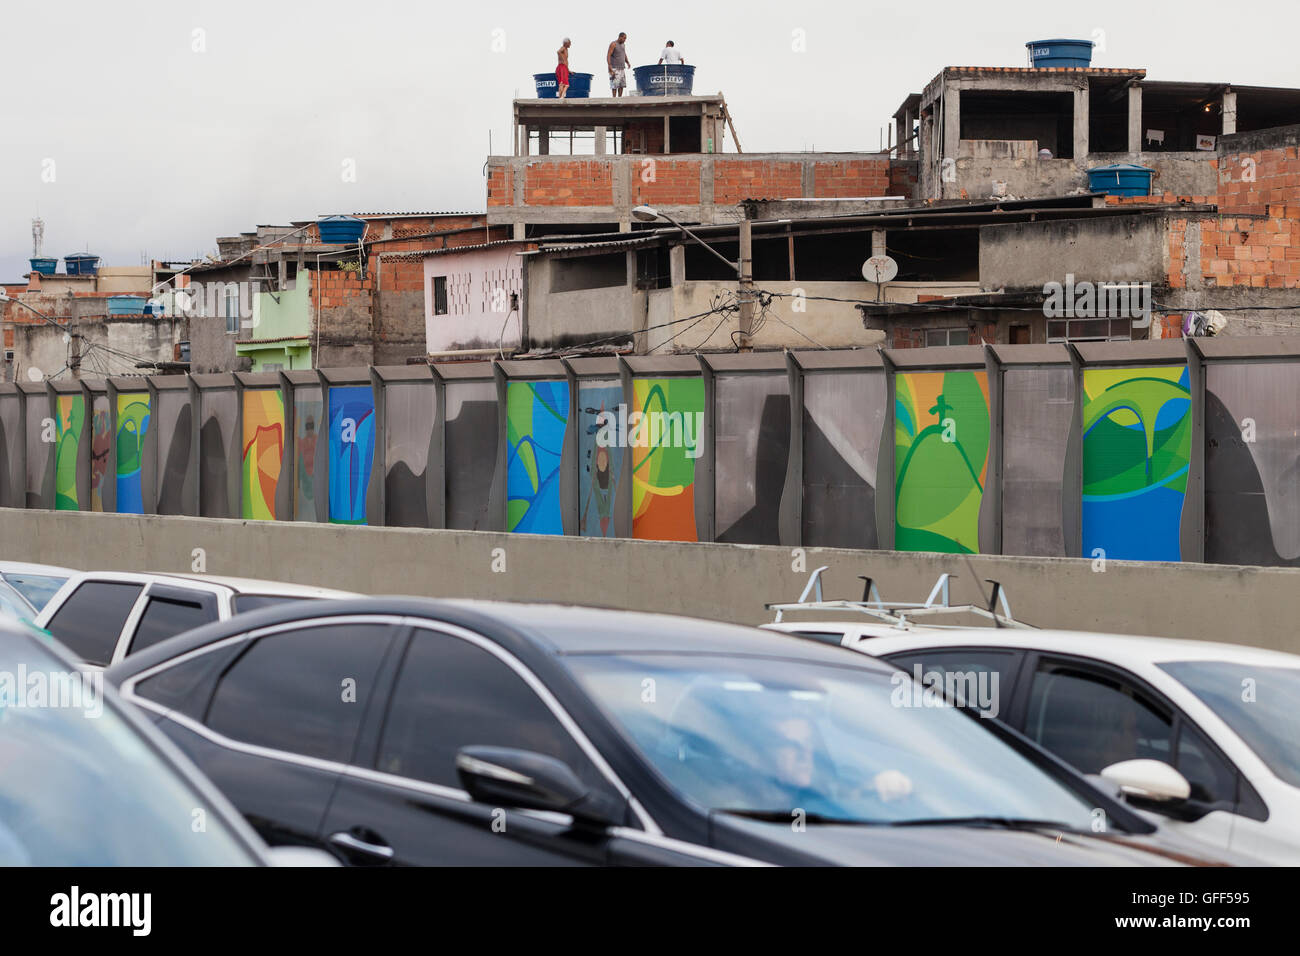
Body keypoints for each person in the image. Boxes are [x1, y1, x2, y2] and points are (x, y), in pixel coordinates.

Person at [606, 32, 629, 97]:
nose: (625, 40)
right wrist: (609, 66)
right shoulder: (613, 44)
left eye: (625, 39)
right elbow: (608, 55)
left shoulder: (623, 45)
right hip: (614, 68)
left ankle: (620, 98)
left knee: (621, 85)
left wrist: (627, 62)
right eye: (624, 38)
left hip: (622, 68)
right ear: (620, 37)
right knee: (614, 85)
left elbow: (624, 54)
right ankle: (614, 99)